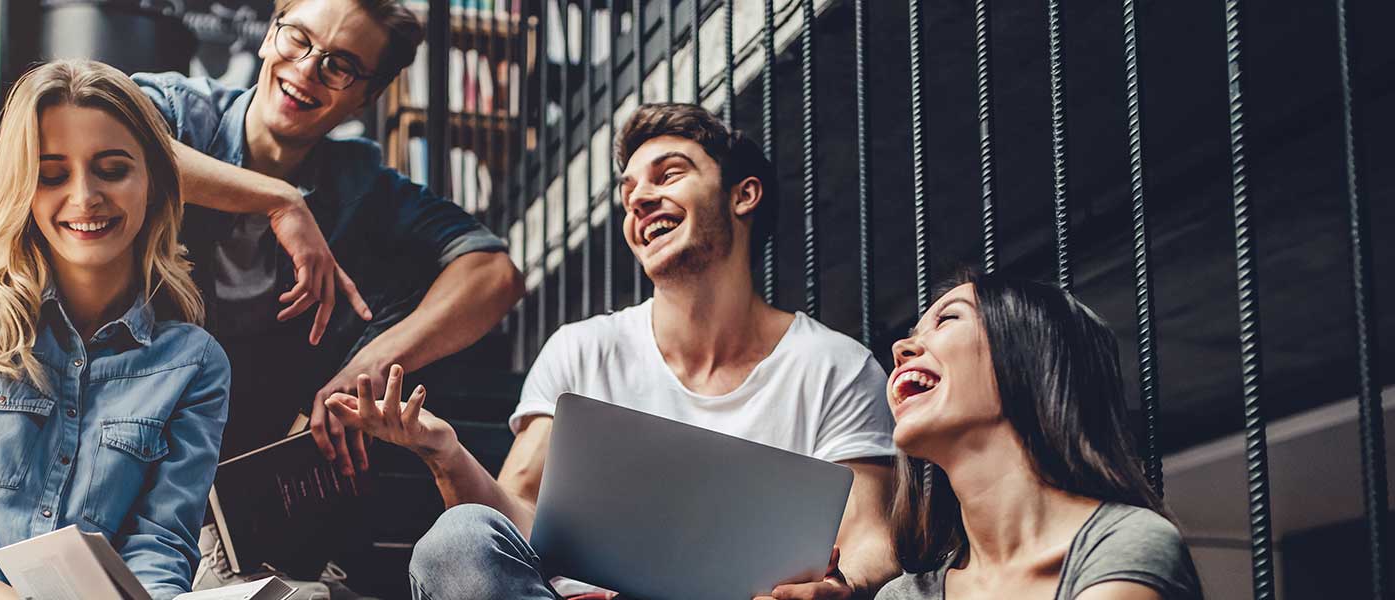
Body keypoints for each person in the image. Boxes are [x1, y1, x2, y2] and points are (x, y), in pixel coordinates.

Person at [326, 103, 902, 599]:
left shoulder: (836, 367)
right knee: (456, 540)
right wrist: (445, 454)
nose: (640, 199)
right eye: (628, 192)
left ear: (743, 195)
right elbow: (514, 522)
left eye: (669, 175)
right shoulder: (583, 350)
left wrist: (840, 587)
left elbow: (869, 537)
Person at [0, 59, 230, 600]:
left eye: (112, 169)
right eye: (52, 175)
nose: (84, 197)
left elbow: (160, 546)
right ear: (23, 186)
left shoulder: (195, 364)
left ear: (153, 180)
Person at [130, 0, 521, 475]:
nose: (308, 68)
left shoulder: (361, 183)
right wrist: (278, 199)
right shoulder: (181, 109)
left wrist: (373, 364)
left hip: (250, 448)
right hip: (123, 412)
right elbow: (96, 137)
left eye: (342, 66)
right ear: (268, 35)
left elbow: (493, 272)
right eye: (298, 37)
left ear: (367, 97)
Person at [874, 270, 1203, 600]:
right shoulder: (904, 595)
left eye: (946, 319)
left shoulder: (1125, 543)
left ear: (1027, 358)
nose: (900, 347)